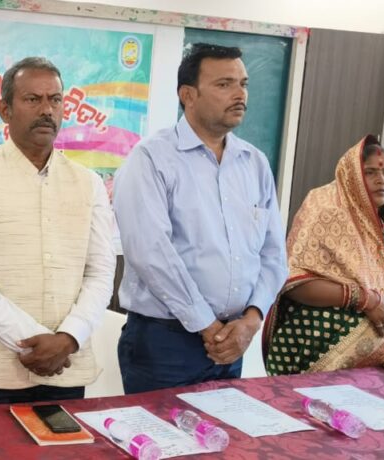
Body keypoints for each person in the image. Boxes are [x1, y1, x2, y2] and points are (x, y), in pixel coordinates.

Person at [0, 57, 117, 407]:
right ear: (5, 110)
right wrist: (34, 340)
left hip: (66, 367)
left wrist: (68, 338)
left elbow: (100, 272)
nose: (47, 110)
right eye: (33, 99)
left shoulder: (89, 184)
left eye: (55, 99)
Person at [113, 43, 287, 394]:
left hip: (234, 339)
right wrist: (207, 326)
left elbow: (273, 255)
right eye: (224, 84)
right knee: (162, 430)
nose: (240, 94)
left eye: (243, 83)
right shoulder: (152, 159)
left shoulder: (254, 163)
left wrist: (252, 320)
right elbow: (151, 253)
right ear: (188, 95)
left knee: (222, 430)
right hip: (165, 343)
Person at [264, 136, 384, 374]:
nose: (381, 179)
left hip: (380, 370)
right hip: (318, 360)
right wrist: (366, 300)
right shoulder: (324, 210)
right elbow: (293, 282)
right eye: (370, 172)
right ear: (352, 175)